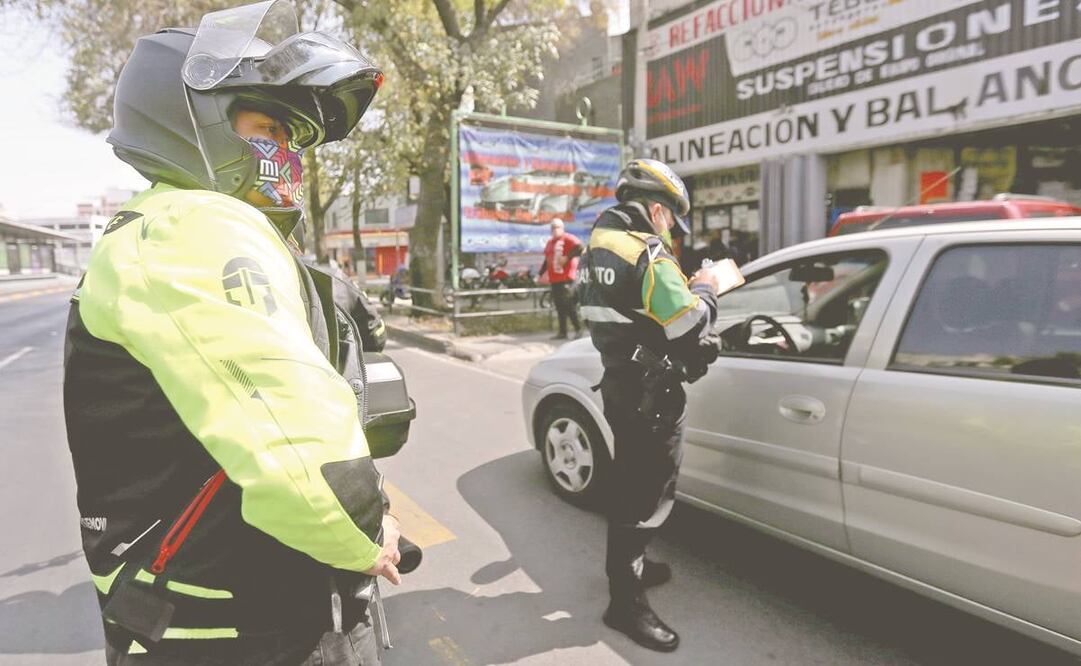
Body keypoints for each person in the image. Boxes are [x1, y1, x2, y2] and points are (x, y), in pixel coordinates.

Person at [63, 3, 398, 664]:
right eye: (270, 127)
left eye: (297, 139)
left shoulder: (163, 231)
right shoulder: (192, 225)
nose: (289, 154)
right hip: (229, 623)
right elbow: (301, 448)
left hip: (209, 605)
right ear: (194, 119)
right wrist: (371, 527)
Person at [578, 158, 732, 652]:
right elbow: (688, 325)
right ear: (658, 210)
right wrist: (706, 290)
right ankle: (625, 603)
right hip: (652, 393)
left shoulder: (600, 242)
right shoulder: (648, 254)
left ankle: (633, 566)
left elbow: (628, 312)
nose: (672, 230)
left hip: (622, 382)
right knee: (643, 498)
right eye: (672, 220)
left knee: (630, 486)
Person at [539, 218, 583, 339]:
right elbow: (546, 260)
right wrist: (540, 273)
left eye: (557, 227)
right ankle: (562, 332)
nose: (555, 230)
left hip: (567, 279)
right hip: (555, 280)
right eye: (553, 227)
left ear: (562, 228)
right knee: (559, 307)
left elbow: (580, 248)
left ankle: (578, 329)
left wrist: (567, 258)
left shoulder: (568, 238)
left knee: (569, 305)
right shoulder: (550, 243)